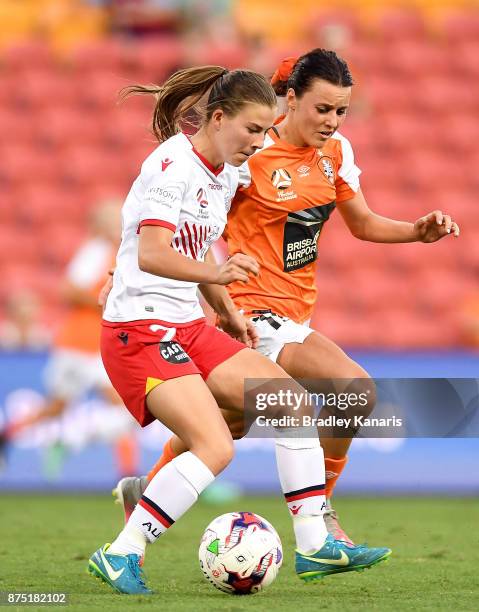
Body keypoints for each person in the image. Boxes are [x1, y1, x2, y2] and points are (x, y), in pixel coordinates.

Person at [113, 49, 460, 545]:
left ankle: (146, 492)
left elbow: (361, 223)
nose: (332, 121)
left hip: (294, 311)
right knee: (352, 391)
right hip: (252, 307)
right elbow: (180, 214)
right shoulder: (248, 155)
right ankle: (320, 521)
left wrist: (415, 231)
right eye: (322, 109)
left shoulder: (336, 152)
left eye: (341, 111)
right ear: (290, 100)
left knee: (227, 423)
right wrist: (122, 265)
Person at [87, 64, 390, 595]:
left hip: (187, 325)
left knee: (290, 404)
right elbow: (155, 251)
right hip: (139, 331)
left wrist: (224, 308)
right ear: (219, 117)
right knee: (216, 446)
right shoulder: (170, 167)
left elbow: (198, 242)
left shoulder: (224, 172)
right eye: (253, 130)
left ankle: (316, 544)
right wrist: (216, 274)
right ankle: (122, 553)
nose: (259, 141)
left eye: (264, 129)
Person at [0, 202, 138, 478]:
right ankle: (125, 472)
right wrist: (107, 305)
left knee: (57, 407)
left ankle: (8, 436)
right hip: (84, 345)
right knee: (125, 408)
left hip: (84, 345)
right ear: (99, 225)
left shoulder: (113, 253)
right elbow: (69, 290)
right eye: (113, 221)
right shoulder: (95, 251)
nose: (119, 226)